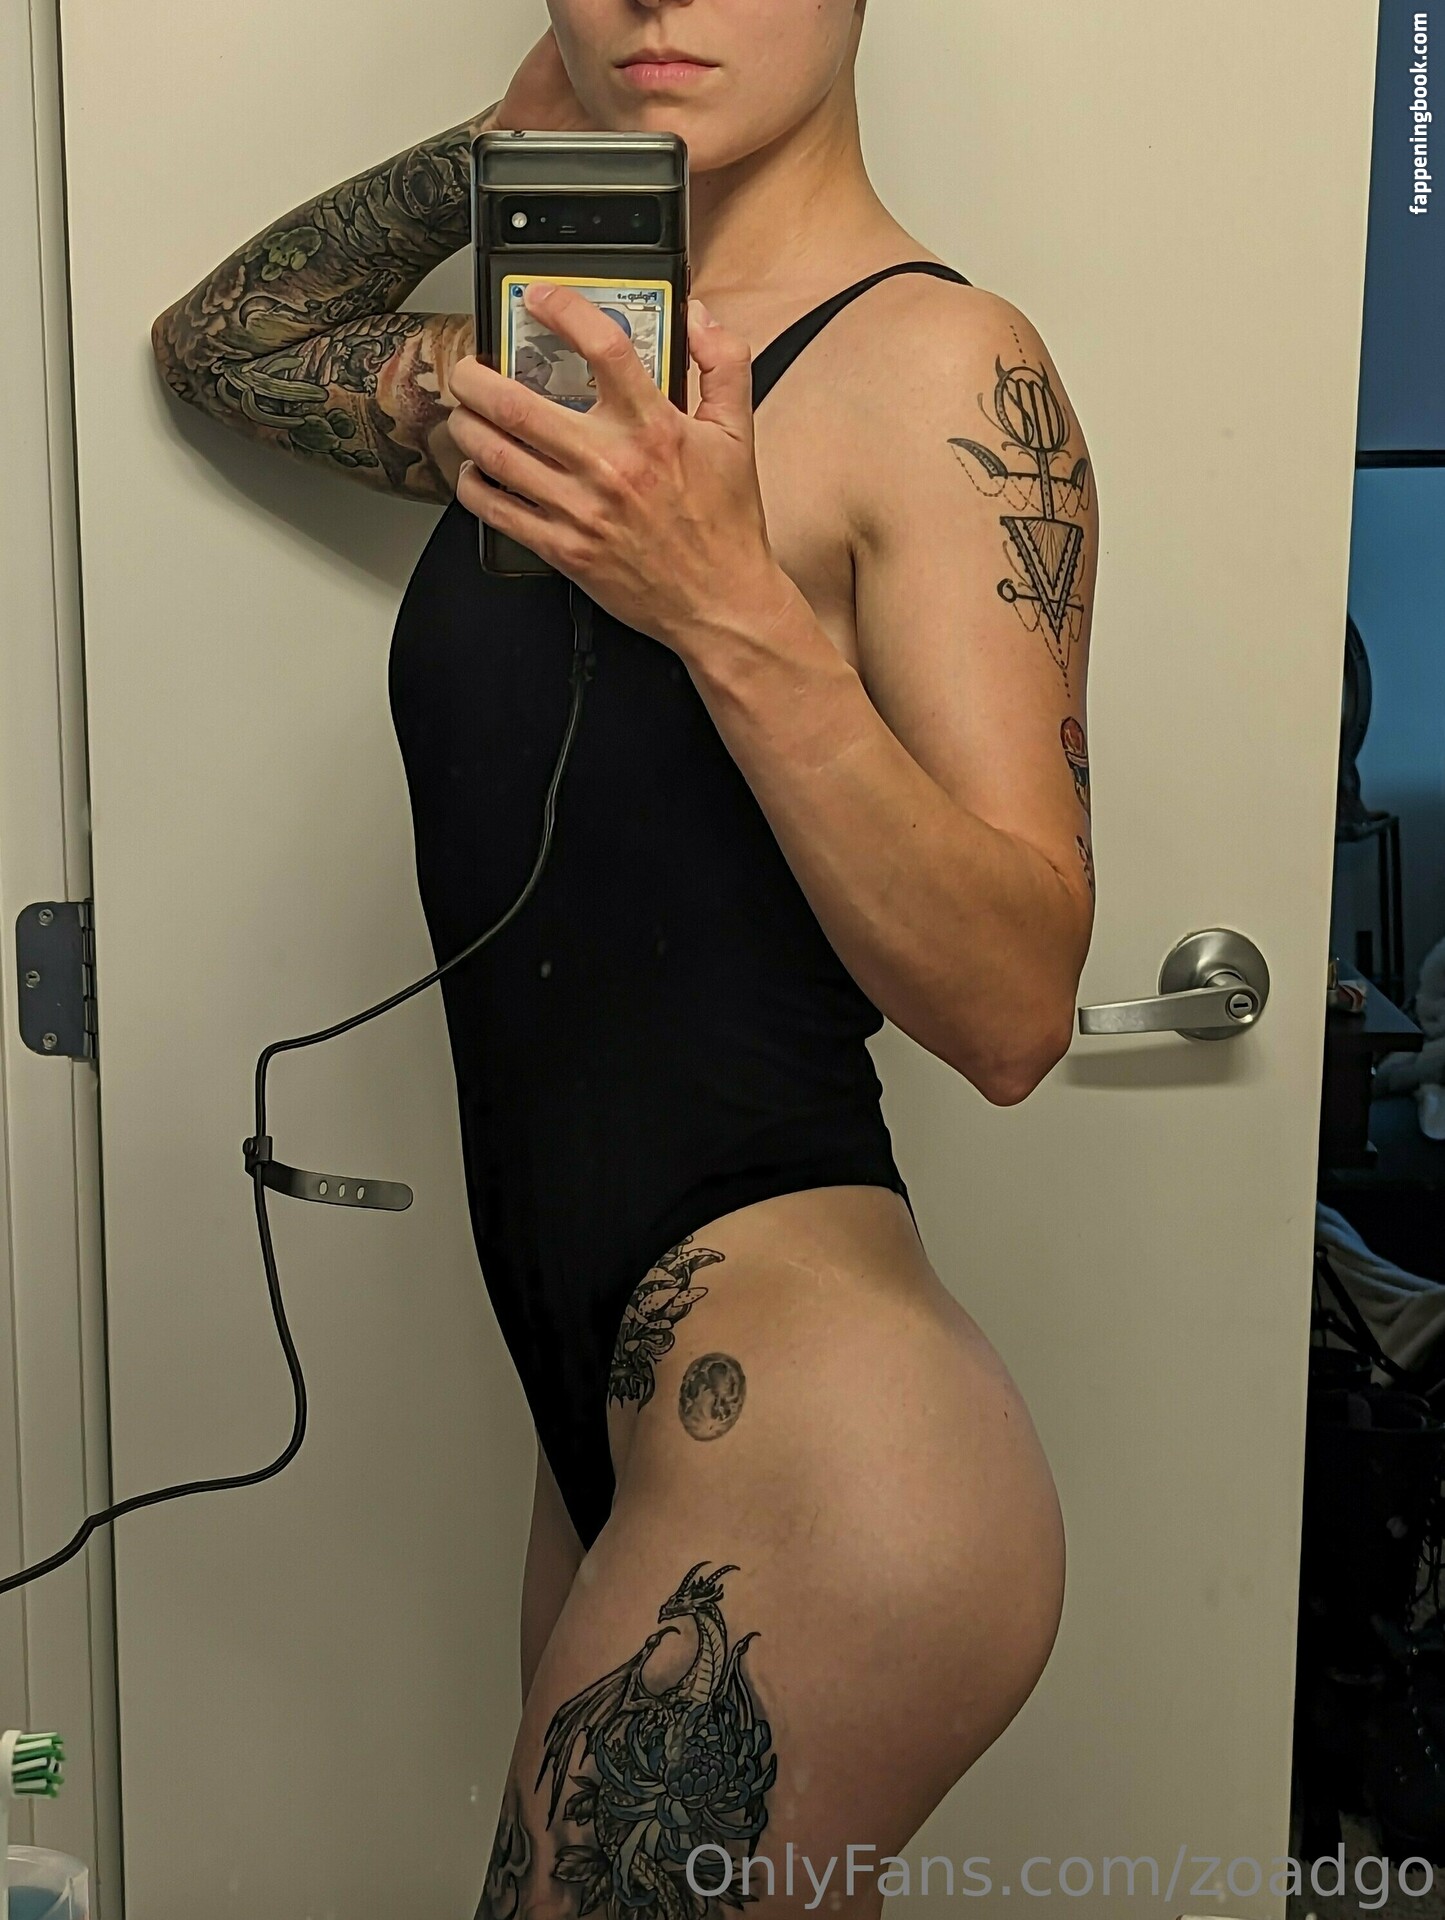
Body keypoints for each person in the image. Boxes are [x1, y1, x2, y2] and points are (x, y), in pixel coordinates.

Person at [151, 4, 1097, 1914]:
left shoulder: (941, 367)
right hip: (604, 1415)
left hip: (820, 1445)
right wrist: (509, 154)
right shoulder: (563, 369)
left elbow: (1014, 1007)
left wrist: (723, 601)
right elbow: (225, 344)